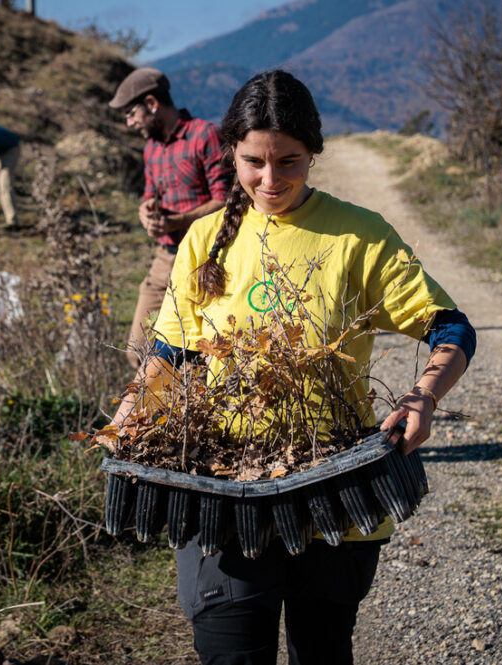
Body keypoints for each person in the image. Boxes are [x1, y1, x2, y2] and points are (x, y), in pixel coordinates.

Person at [114, 70, 476, 665]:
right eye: (253, 162)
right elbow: (173, 353)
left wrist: (424, 397)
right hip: (222, 488)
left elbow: (450, 327)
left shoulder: (359, 236)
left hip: (334, 483)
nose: (269, 179)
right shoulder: (203, 239)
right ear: (230, 153)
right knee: (231, 652)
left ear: (314, 153)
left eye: (289, 162)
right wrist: (134, 405)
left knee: (322, 651)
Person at [108, 67, 231, 367]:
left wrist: (177, 221)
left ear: (152, 104)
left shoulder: (205, 136)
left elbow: (225, 201)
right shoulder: (151, 147)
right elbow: (150, 194)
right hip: (166, 257)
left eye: (131, 113)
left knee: (200, 357)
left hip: (208, 258)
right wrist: (146, 211)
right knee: (138, 351)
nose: (129, 123)